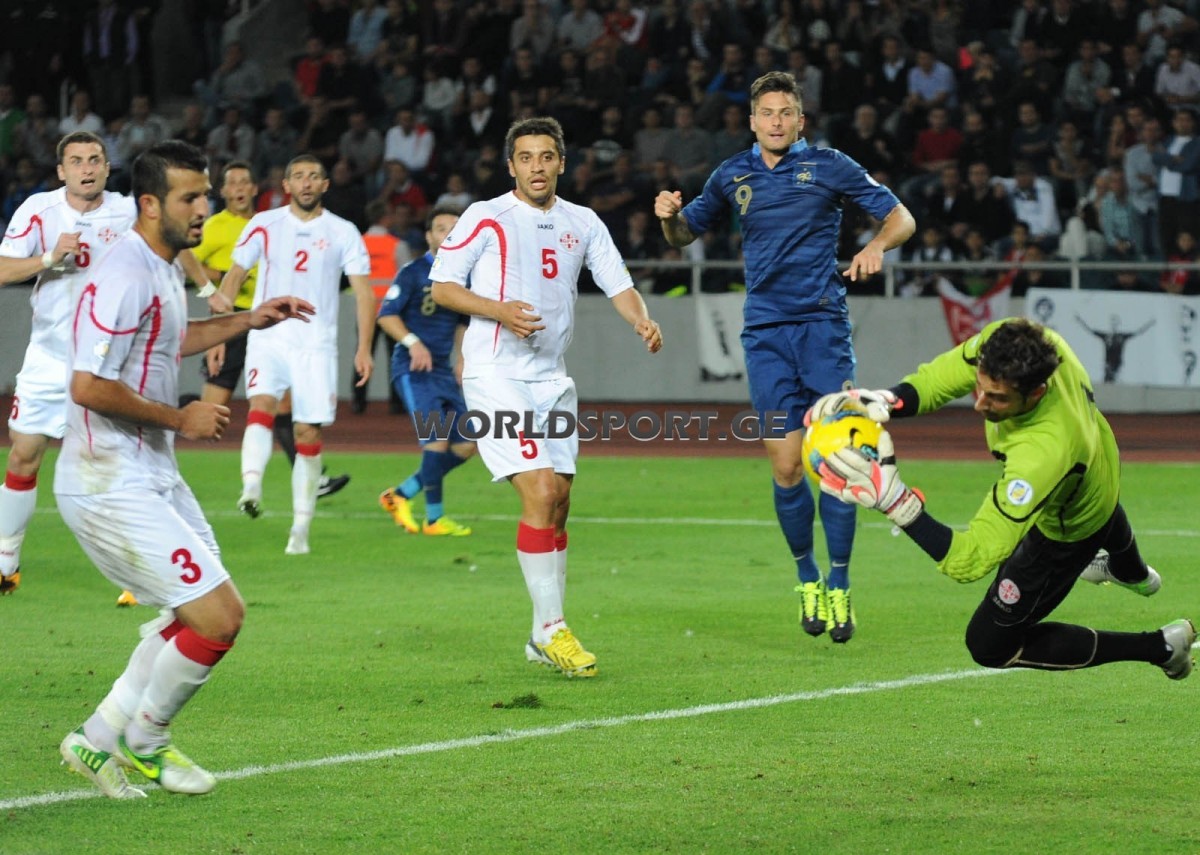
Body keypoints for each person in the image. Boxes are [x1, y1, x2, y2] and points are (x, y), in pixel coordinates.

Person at [55, 140, 315, 799]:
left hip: (150, 470)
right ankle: (145, 741)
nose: (204, 208)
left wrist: (248, 319)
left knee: (195, 612)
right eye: (190, 198)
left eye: (205, 195)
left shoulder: (164, 264)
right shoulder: (124, 273)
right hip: (105, 479)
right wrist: (180, 418)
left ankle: (96, 737)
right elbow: (87, 385)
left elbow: (172, 339)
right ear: (150, 204)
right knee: (218, 616)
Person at [653, 71, 915, 643]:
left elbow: (902, 217)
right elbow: (684, 235)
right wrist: (670, 217)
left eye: (786, 112)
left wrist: (875, 245)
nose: (776, 121)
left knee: (840, 463)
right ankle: (807, 577)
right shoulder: (731, 174)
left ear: (800, 120)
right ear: (752, 121)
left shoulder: (830, 165)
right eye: (766, 113)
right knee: (787, 466)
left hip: (823, 331)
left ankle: (840, 582)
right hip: (765, 337)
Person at [807, 318, 1196, 681]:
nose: (980, 404)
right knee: (1101, 508)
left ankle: (1161, 647)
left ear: (1037, 392)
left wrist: (895, 501)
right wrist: (887, 399)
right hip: (1102, 467)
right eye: (980, 388)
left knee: (988, 643)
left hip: (1069, 525)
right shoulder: (1021, 341)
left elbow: (970, 558)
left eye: (997, 398)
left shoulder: (1042, 454)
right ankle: (1132, 572)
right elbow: (944, 375)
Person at [431, 117, 663, 677]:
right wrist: (498, 310)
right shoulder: (486, 215)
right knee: (538, 490)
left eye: (546, 156)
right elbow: (442, 287)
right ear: (511, 166)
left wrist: (641, 318)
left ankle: (540, 636)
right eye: (526, 157)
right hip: (495, 374)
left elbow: (619, 284)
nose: (537, 166)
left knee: (558, 499)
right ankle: (555, 629)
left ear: (562, 162)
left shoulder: (582, 221)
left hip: (552, 380)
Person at [0, 131, 208, 605]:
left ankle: (143, 575)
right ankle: (6, 561)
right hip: (51, 355)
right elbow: (3, 269)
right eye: (76, 161)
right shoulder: (38, 211)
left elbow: (179, 242)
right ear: (61, 171)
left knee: (131, 466)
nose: (87, 168)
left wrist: (209, 291)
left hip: (117, 363)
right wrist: (48, 258)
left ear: (107, 167)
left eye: (95, 159)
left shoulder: (128, 210)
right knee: (23, 456)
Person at [217, 153, 375, 555]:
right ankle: (251, 486)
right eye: (299, 176)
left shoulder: (343, 231)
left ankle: (300, 529)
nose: (306, 183)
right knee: (261, 405)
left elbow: (363, 293)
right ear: (286, 185)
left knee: (308, 431)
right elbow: (233, 279)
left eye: (314, 176)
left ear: (325, 185)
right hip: (268, 337)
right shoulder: (263, 224)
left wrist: (363, 347)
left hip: (316, 345)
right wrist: (219, 335)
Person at [193, 159, 353, 500]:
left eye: (244, 182)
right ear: (223, 191)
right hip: (235, 317)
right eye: (232, 183)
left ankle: (308, 477)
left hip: (270, 325)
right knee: (212, 409)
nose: (238, 188)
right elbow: (190, 261)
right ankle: (166, 424)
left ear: (255, 189)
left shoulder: (272, 223)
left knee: (281, 406)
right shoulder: (215, 227)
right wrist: (216, 293)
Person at [378, 204, 477, 536]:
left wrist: (462, 358)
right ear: (429, 236)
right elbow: (386, 315)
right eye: (441, 228)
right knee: (436, 441)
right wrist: (412, 342)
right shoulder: (413, 272)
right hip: (413, 369)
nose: (448, 234)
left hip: (443, 372)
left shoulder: (463, 278)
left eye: (455, 229)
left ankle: (400, 495)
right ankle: (434, 519)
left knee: (466, 444)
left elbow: (462, 323)